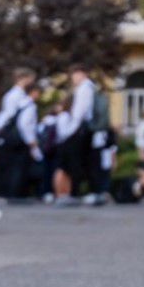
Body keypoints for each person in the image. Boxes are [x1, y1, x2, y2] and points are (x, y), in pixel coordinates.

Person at [0, 68, 41, 202]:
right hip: (13, 135)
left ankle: (6, 193)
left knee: (8, 165)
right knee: (13, 166)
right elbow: (12, 116)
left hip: (9, 134)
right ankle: (10, 193)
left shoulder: (17, 95)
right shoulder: (16, 96)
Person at [55, 66, 97, 205]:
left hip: (79, 129)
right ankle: (75, 191)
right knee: (78, 162)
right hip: (81, 128)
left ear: (81, 73)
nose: (73, 78)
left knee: (75, 162)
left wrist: (70, 131)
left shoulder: (85, 88)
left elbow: (79, 112)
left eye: (74, 75)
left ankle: (74, 192)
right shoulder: (87, 88)